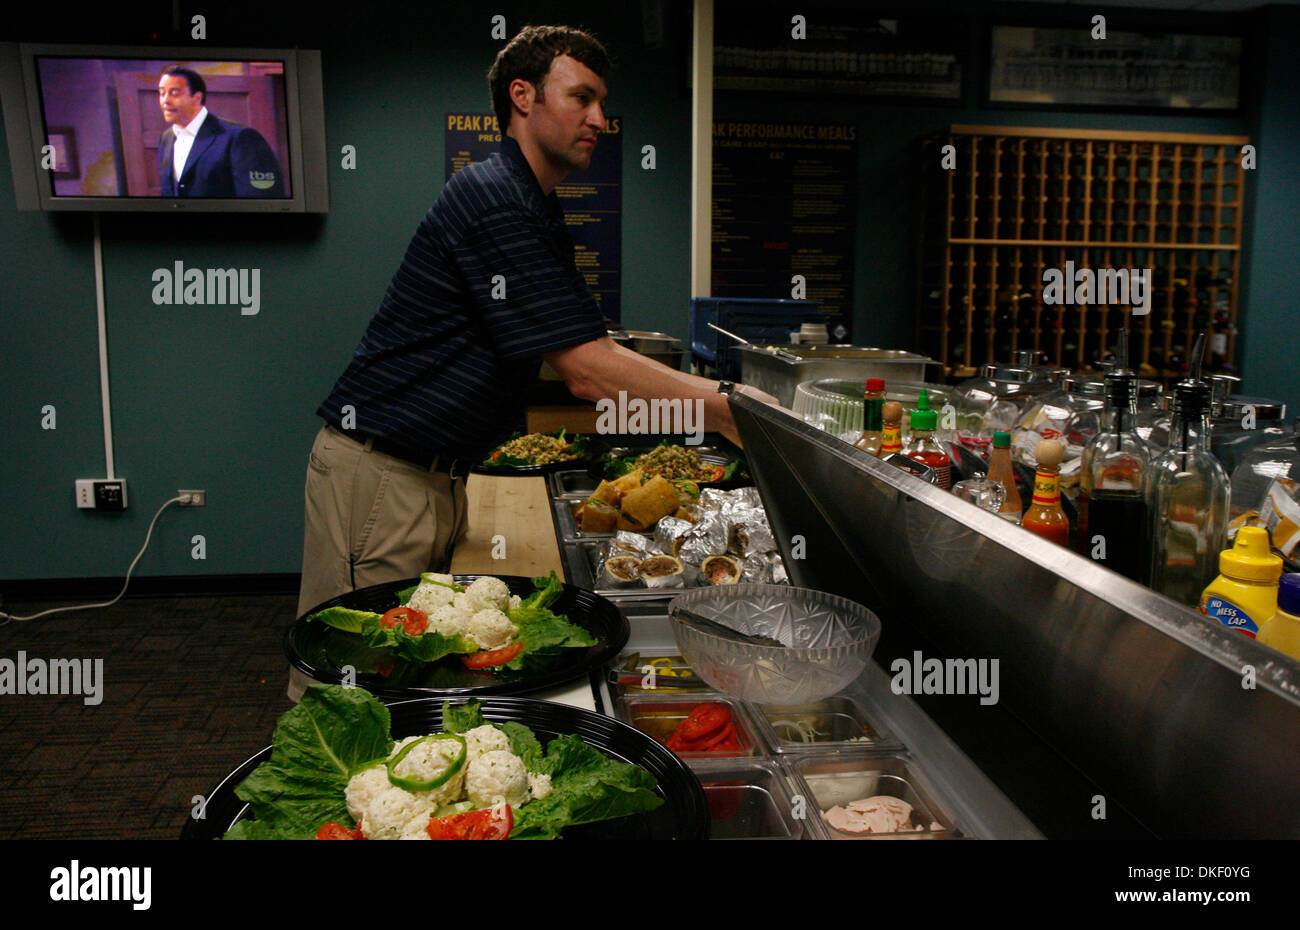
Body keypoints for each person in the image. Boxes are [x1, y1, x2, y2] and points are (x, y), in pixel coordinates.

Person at [294, 26, 775, 695]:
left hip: (428, 478)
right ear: (522, 96)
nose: (599, 120)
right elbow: (587, 367)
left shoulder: (532, 204)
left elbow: (588, 348)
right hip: (383, 477)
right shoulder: (494, 197)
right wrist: (728, 408)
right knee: (353, 692)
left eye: (602, 103)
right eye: (581, 98)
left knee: (413, 683)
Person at [156, 67, 285, 198]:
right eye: (162, 93)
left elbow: (262, 200)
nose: (165, 101)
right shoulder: (166, 138)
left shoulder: (240, 138)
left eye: (174, 93)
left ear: (197, 98)